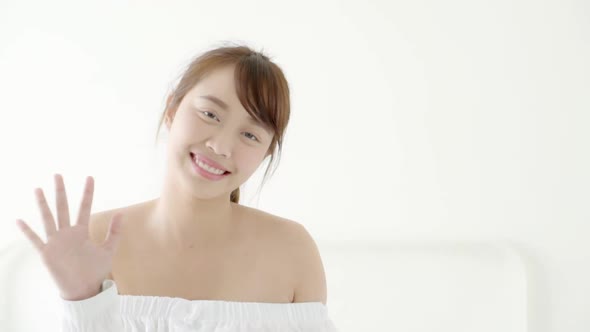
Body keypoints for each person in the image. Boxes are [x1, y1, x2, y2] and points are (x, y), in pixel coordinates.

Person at [15, 43, 338, 331]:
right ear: (172, 110)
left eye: (250, 135)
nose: (222, 146)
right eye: (210, 114)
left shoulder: (291, 250)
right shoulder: (96, 239)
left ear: (266, 152)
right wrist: (81, 302)